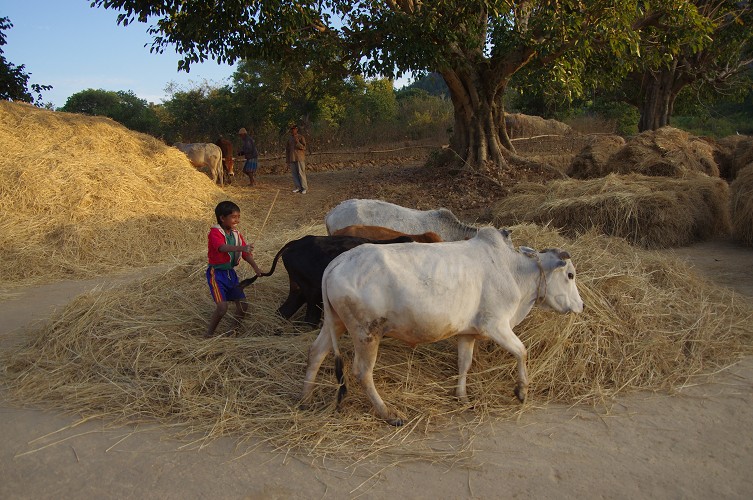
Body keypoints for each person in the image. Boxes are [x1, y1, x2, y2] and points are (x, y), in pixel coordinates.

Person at [205, 200, 263, 338]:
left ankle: (233, 330)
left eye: (238, 217)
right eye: (234, 217)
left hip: (231, 274)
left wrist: (255, 267)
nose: (237, 220)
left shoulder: (236, 234)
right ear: (222, 218)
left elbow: (245, 254)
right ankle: (208, 335)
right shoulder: (215, 233)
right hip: (217, 274)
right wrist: (242, 247)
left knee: (243, 306)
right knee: (222, 308)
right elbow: (221, 248)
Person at [286, 124, 308, 194]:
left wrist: (297, 142)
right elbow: (287, 150)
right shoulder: (289, 139)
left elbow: (304, 147)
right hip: (292, 158)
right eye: (291, 129)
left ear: (297, 129)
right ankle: (298, 187)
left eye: (294, 129)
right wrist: (287, 160)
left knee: (301, 173)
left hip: (300, 158)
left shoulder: (301, 137)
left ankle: (304, 188)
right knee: (294, 174)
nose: (293, 130)